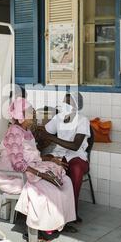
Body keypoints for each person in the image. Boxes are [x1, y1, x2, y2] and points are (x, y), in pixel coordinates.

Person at [0, 97, 76, 242]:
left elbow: (33, 157)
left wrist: (49, 160)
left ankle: (58, 223)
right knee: (47, 190)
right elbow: (18, 164)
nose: (33, 114)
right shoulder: (14, 132)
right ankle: (39, 229)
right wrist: (42, 175)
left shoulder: (27, 131)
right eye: (30, 112)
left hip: (30, 169)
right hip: (15, 175)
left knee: (66, 182)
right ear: (21, 116)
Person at [38, 93, 91, 223]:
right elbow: (44, 133)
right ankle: (50, 210)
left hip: (77, 156)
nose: (64, 106)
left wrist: (52, 138)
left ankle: (72, 212)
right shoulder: (58, 118)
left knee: (76, 170)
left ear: (76, 106)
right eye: (63, 102)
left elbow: (75, 145)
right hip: (59, 154)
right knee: (43, 163)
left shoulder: (82, 120)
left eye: (69, 103)